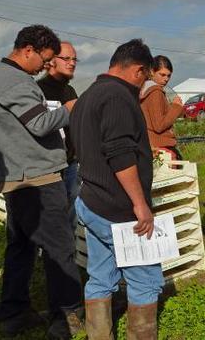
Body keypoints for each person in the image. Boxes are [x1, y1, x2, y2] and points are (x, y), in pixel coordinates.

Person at [0, 25, 83, 339]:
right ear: (28, 50)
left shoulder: (6, 76)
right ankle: (66, 317)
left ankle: (14, 312)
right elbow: (39, 123)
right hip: (35, 179)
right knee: (59, 249)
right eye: (45, 58)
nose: (45, 66)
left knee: (21, 247)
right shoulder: (15, 81)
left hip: (19, 177)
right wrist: (69, 110)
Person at [70, 39, 164, 340]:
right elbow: (120, 154)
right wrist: (140, 204)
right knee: (146, 279)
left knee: (100, 275)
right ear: (138, 70)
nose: (143, 85)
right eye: (146, 77)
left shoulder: (89, 95)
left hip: (91, 199)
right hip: (119, 208)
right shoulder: (118, 97)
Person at [38, 40, 80, 232]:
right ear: (50, 61)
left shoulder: (70, 91)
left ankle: (67, 250)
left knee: (70, 209)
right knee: (51, 211)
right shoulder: (39, 90)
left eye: (74, 59)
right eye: (66, 58)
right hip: (48, 166)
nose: (72, 63)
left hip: (70, 163)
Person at [140, 55, 184, 160]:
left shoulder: (144, 89)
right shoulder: (155, 92)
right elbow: (159, 125)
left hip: (151, 145)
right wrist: (176, 107)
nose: (166, 79)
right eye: (162, 74)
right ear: (151, 72)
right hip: (161, 146)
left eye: (169, 76)